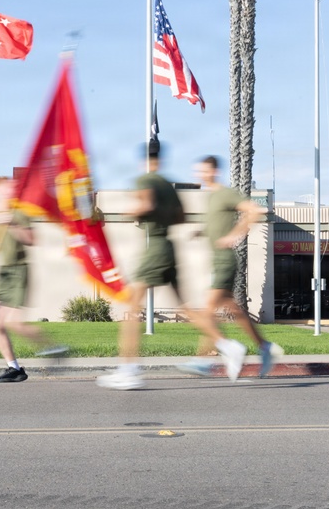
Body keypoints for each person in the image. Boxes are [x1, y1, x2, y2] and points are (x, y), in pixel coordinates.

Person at [96, 143, 247, 390]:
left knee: (132, 306)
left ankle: (129, 371)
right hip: (169, 246)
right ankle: (228, 345)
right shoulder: (167, 184)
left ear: (143, 159)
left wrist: (132, 212)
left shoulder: (145, 180)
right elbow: (181, 216)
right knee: (185, 307)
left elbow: (146, 206)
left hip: (155, 247)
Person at [177, 155, 284, 378]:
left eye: (204, 170)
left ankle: (206, 359)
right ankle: (265, 348)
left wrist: (234, 236)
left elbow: (253, 210)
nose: (200, 175)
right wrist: (202, 232)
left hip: (224, 261)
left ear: (214, 171)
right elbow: (216, 225)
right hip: (217, 261)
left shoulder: (225, 193)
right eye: (198, 171)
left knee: (207, 312)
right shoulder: (211, 197)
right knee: (234, 310)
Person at [0, 169, 67, 383]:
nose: (5, 193)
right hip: (2, 273)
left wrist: (12, 223)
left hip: (19, 270)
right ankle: (14, 368)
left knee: (14, 323)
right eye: (1, 190)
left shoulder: (19, 214)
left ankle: (53, 347)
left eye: (9, 190)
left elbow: (31, 239)